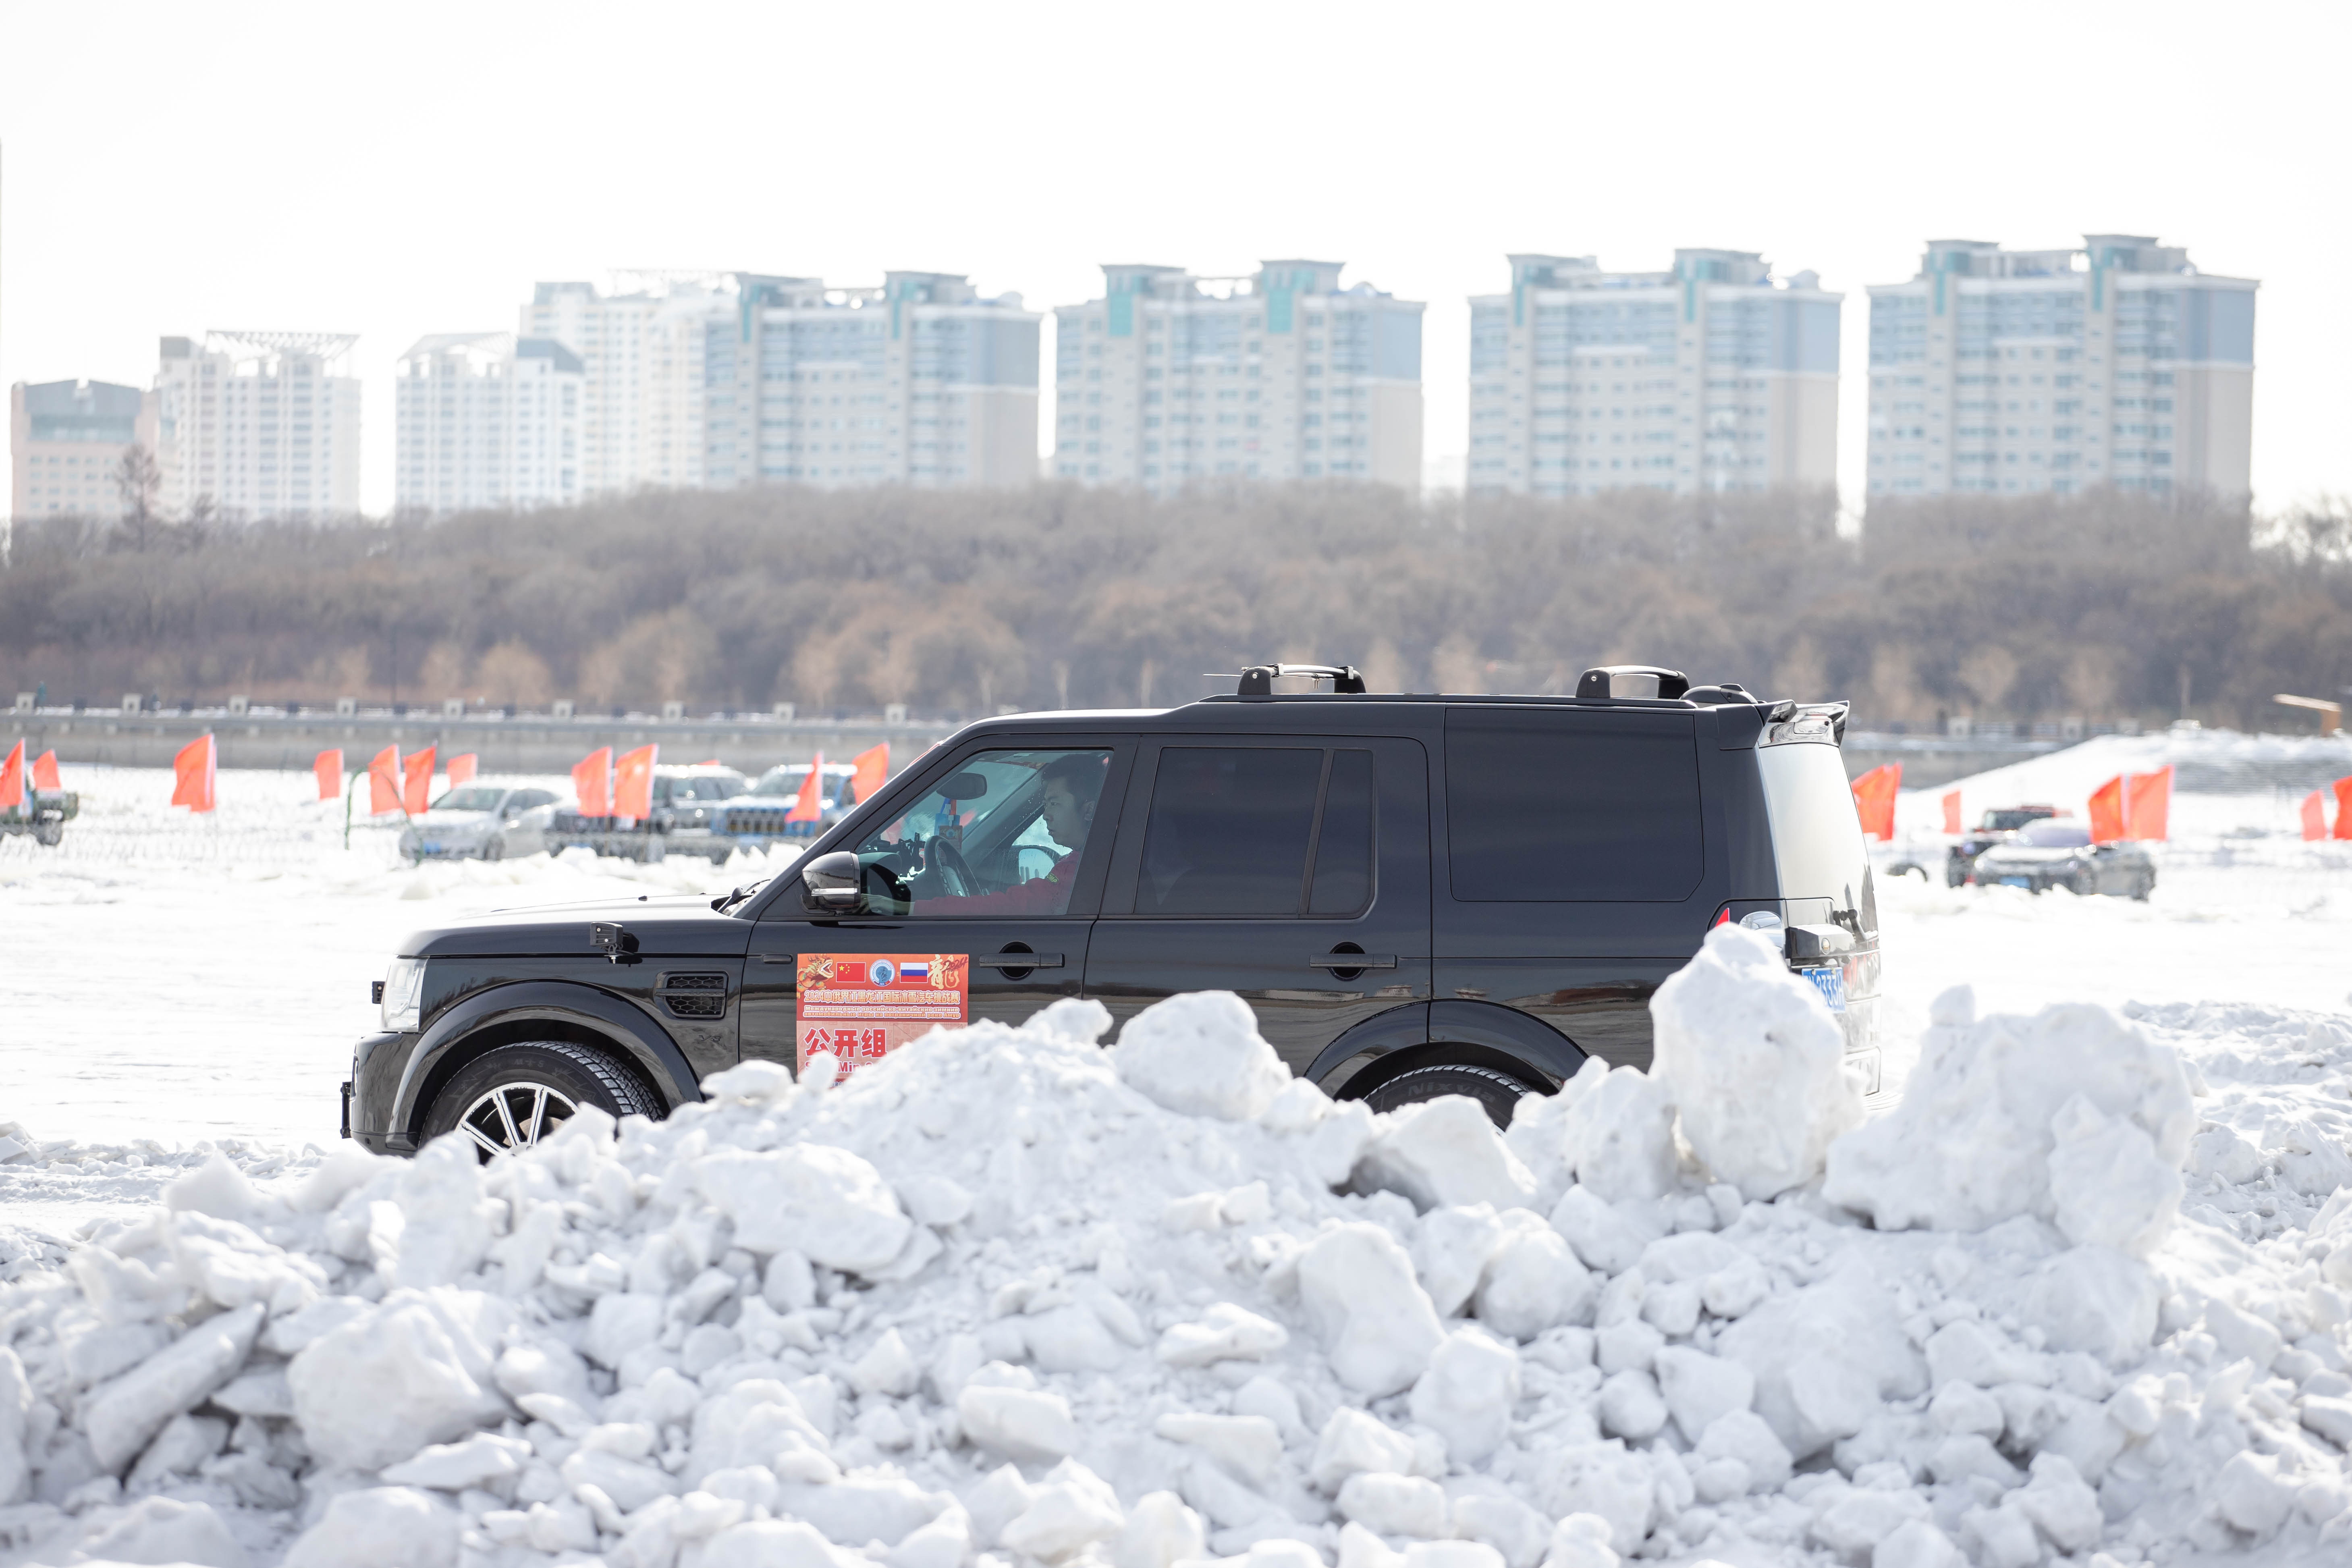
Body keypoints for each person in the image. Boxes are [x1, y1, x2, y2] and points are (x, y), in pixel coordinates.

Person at [920, 752, 1103, 915]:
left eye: (1054, 804)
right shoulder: (1091, 860)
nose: (1046, 815)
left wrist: (913, 909)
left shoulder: (1081, 871)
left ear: (1088, 811)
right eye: (1045, 805)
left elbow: (1010, 906)